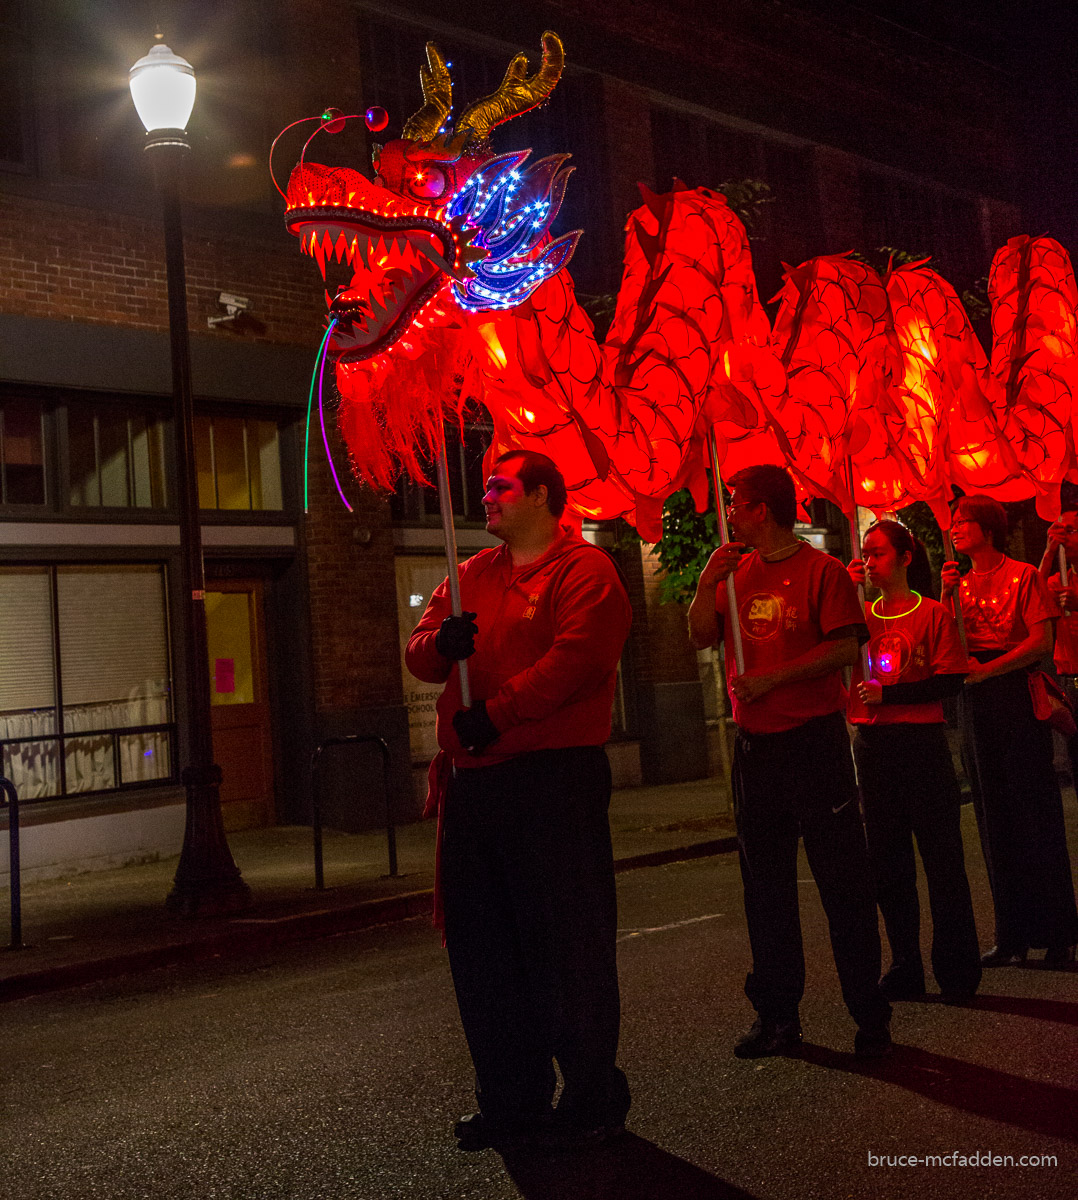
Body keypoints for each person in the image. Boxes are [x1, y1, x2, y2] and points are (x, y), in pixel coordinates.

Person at [405, 449, 633, 1152]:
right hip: (477, 788)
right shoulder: (470, 574)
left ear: (540, 494)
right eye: (486, 487)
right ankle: (510, 1096)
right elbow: (418, 655)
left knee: (564, 944)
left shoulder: (586, 572)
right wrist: (439, 643)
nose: (487, 497)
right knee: (484, 949)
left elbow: (576, 661)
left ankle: (592, 1092)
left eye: (500, 486)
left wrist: (497, 713)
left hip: (551, 783)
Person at [688, 464, 892, 1059]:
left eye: (735, 502)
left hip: (814, 743)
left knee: (843, 884)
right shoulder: (731, 575)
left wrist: (774, 677)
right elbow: (702, 636)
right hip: (756, 750)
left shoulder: (822, 571)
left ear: (762, 509)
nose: (728, 511)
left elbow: (846, 645)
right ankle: (778, 1016)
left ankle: (869, 1014)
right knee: (766, 889)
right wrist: (705, 585)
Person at [847, 520, 981, 1003]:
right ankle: (905, 963)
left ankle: (957, 967)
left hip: (921, 746)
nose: (869, 561)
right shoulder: (860, 617)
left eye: (878, 553)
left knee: (942, 859)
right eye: (865, 553)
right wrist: (845, 596)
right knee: (888, 863)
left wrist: (892, 694)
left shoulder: (933, 614)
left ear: (905, 558)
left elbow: (949, 680)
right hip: (874, 747)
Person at [942, 494, 1078, 967]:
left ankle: (1059, 932)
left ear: (989, 527)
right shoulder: (956, 584)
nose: (956, 528)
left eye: (964, 521)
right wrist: (944, 597)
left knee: (1035, 814)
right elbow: (949, 646)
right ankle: (1011, 932)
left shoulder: (1024, 575)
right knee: (991, 815)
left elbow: (1039, 641)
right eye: (955, 521)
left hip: (1016, 700)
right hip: (975, 706)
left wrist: (988, 670)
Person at [1037, 508, 1078, 788]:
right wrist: (1049, 553)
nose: (1064, 537)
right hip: (1071, 681)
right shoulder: (1058, 581)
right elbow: (1032, 598)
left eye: (1071, 531)